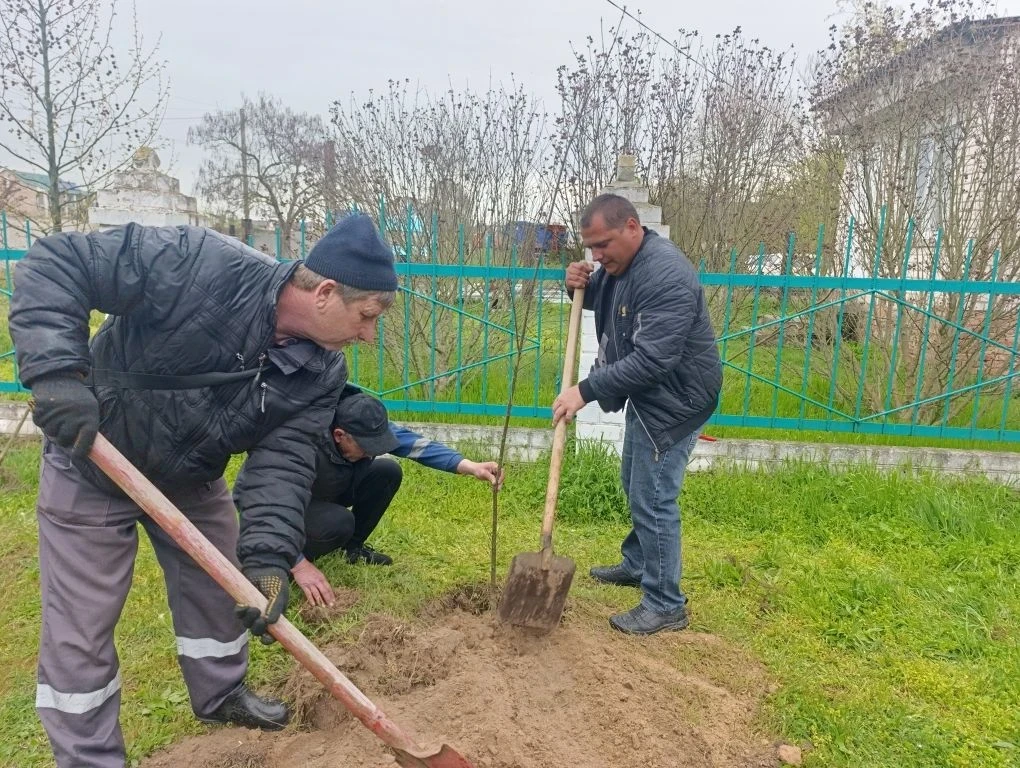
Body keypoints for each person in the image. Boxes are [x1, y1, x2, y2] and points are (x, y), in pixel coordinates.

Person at [8, 213, 398, 767]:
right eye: (367, 317)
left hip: (191, 475)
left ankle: (220, 694)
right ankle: (90, 757)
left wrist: (269, 557)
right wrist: (56, 375)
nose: (368, 335)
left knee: (222, 588)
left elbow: (283, 465)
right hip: (93, 462)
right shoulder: (196, 262)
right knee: (82, 624)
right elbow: (57, 262)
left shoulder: (321, 372)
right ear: (325, 293)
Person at [551, 193, 722, 636]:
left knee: (653, 496)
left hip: (676, 400)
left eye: (603, 244)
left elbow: (653, 359)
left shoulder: (666, 275)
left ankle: (665, 604)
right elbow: (600, 300)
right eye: (591, 248)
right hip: (650, 395)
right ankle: (640, 562)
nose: (596, 256)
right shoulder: (622, 266)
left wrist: (585, 391)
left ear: (632, 227)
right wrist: (573, 284)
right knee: (635, 481)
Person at [287, 387, 504, 607]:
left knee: (387, 471)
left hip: (332, 486)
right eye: (366, 447)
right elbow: (273, 504)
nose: (371, 453)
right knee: (339, 521)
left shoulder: (362, 424)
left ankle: (351, 549)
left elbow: (417, 446)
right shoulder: (302, 443)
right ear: (339, 435)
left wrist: (470, 466)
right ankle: (282, 561)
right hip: (291, 504)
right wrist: (298, 564)